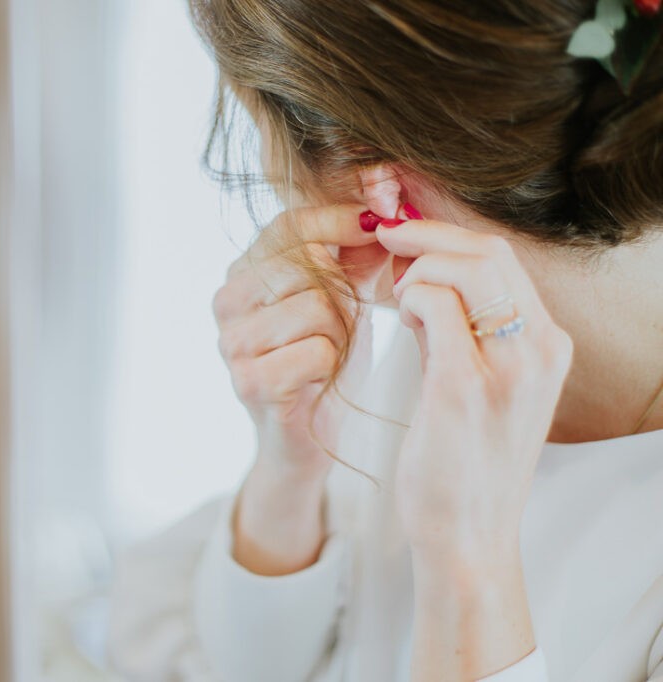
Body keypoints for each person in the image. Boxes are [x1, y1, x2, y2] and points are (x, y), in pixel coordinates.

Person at [106, 1, 663, 680]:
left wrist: (469, 560)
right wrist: (291, 471)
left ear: (376, 175)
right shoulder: (427, 343)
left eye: (258, 126)